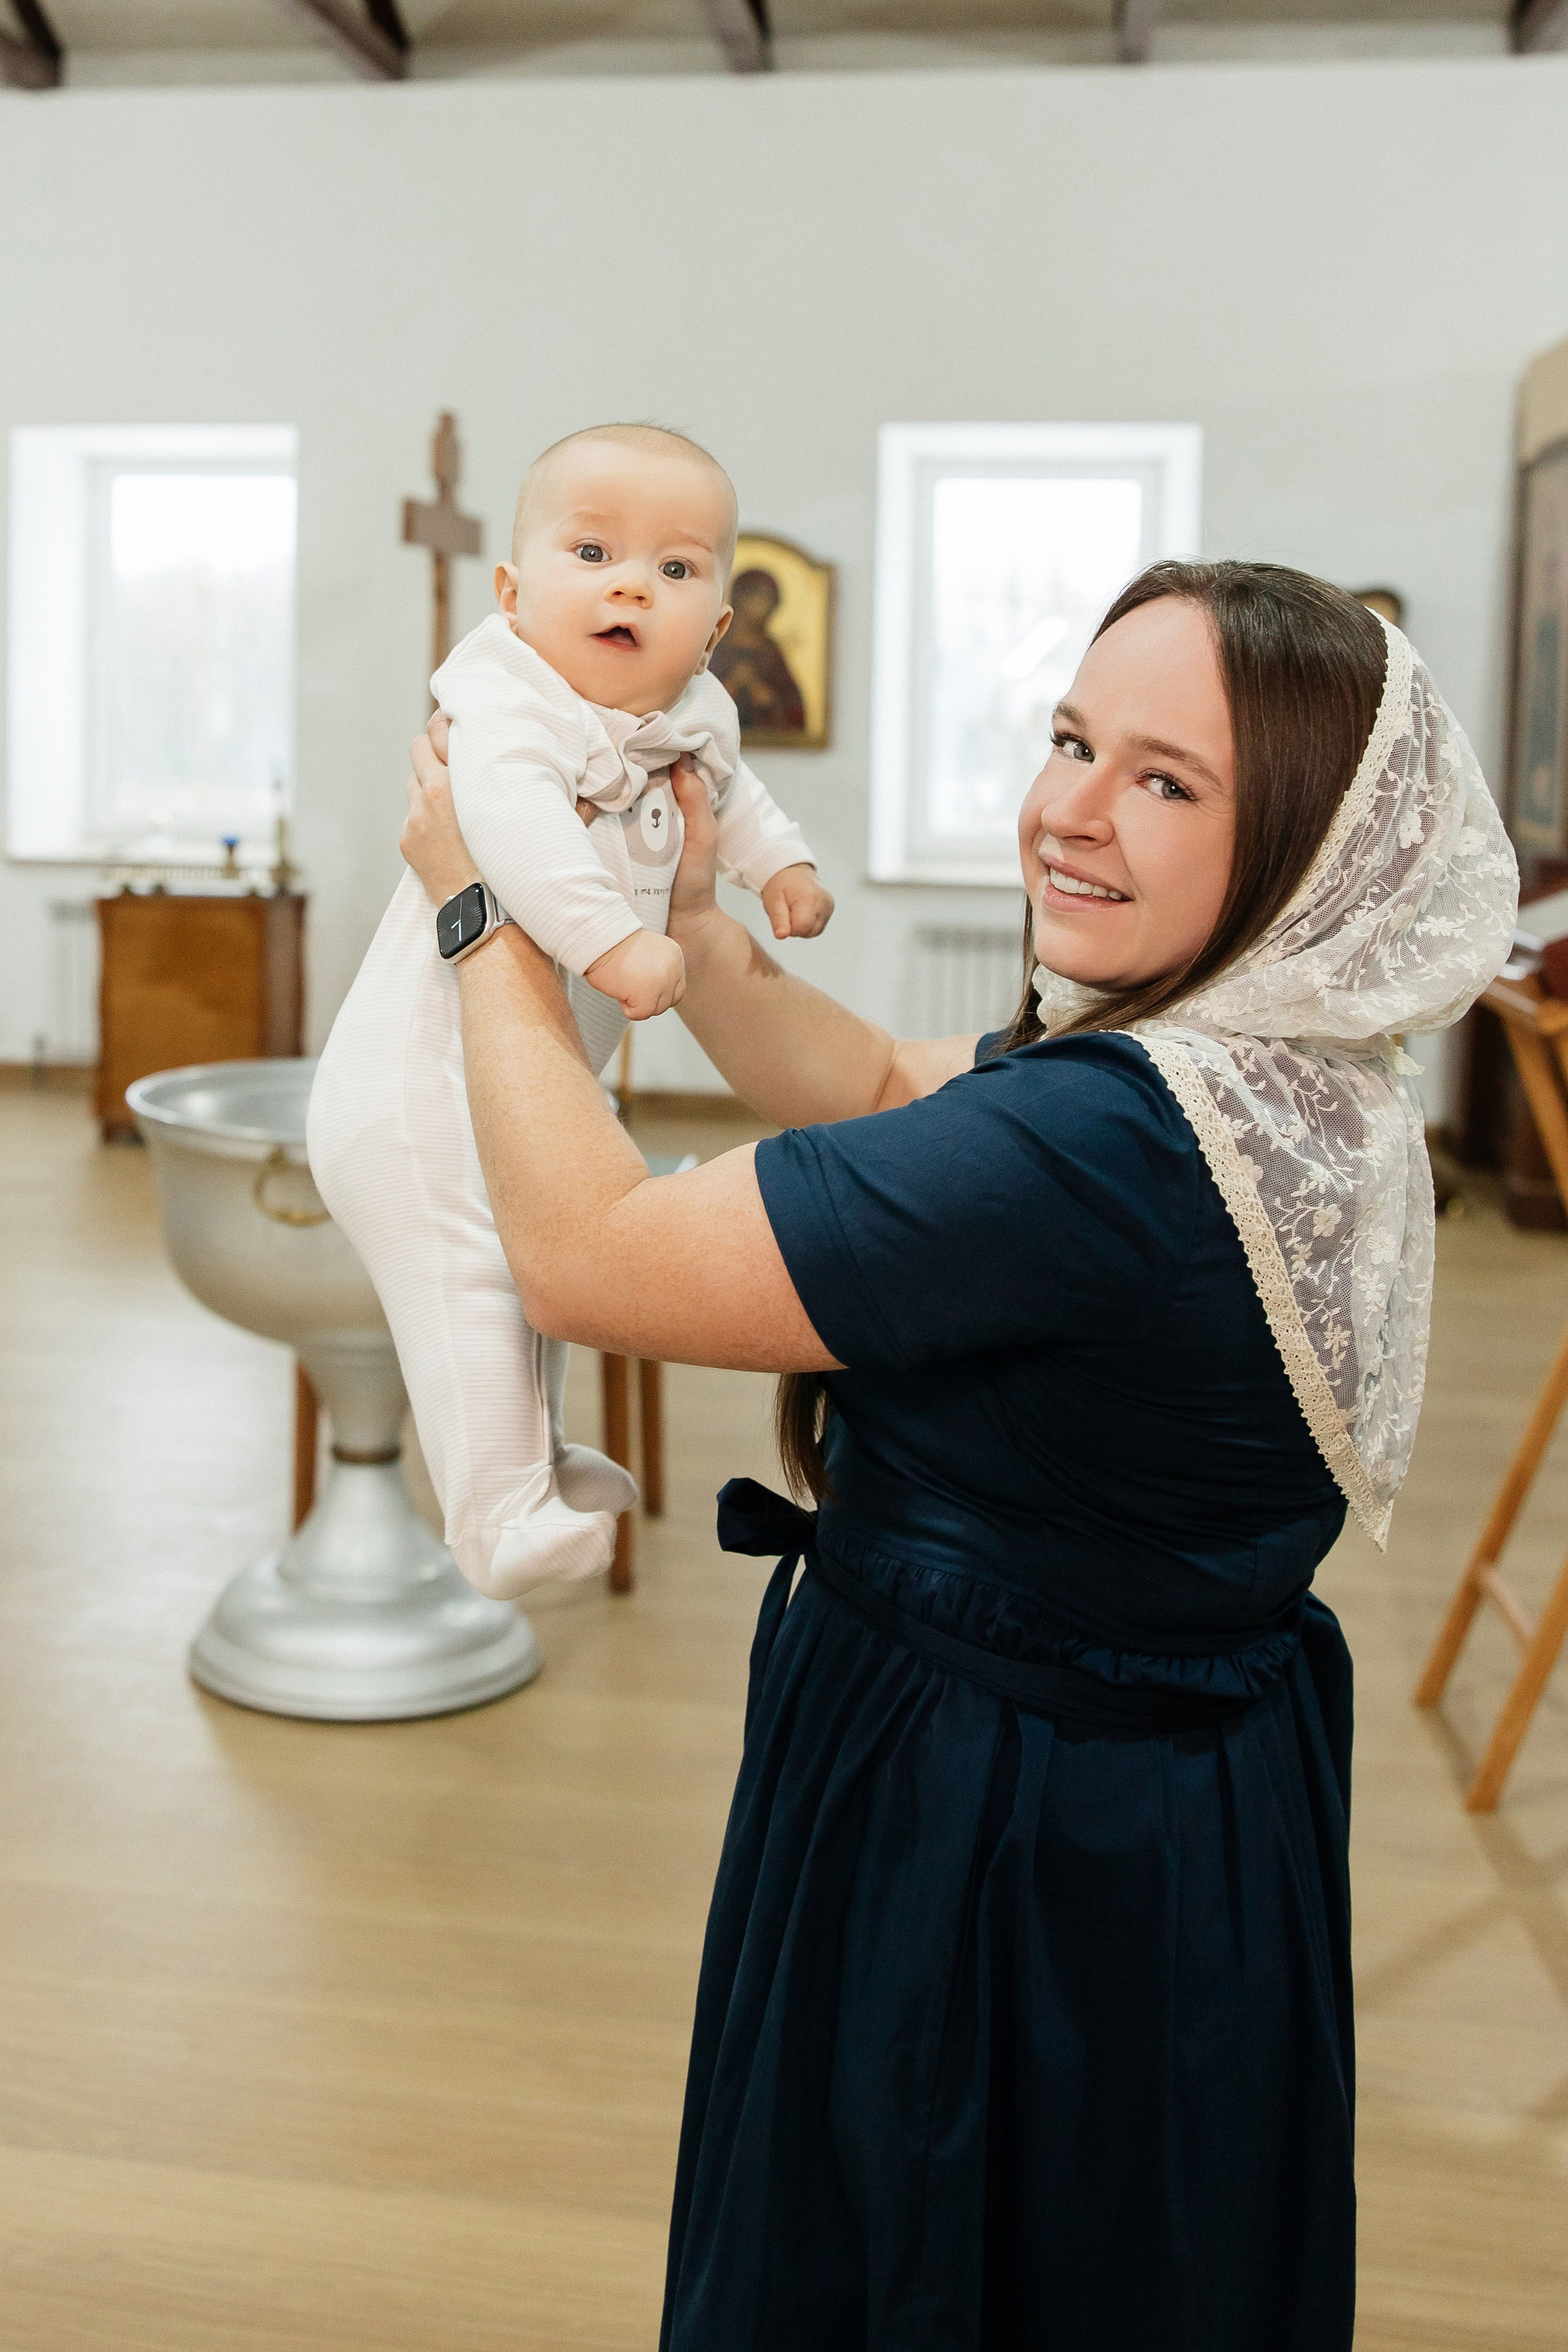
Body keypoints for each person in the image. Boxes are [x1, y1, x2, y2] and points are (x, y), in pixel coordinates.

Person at [394, 559, 1517, 2350]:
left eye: (1169, 781)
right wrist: (701, 923)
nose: (1069, 811)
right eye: (1074, 739)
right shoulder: (1269, 1061)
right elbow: (874, 1086)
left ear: (1307, 847)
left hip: (996, 1822)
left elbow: (587, 1259)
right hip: (1172, 1801)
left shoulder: (1111, 1150)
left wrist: (482, 923)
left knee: (922, 2251)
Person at [307, 424, 833, 1598]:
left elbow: (733, 803)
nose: (631, 582)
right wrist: (612, 946)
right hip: (415, 1094)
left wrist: (779, 870)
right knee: (473, 1279)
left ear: (717, 626)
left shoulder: (694, 714)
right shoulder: (508, 705)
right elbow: (517, 834)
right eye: (592, 550)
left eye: (677, 568)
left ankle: (534, 1457)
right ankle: (494, 1517)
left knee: (537, 1255)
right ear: (513, 591)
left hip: (509, 1083)